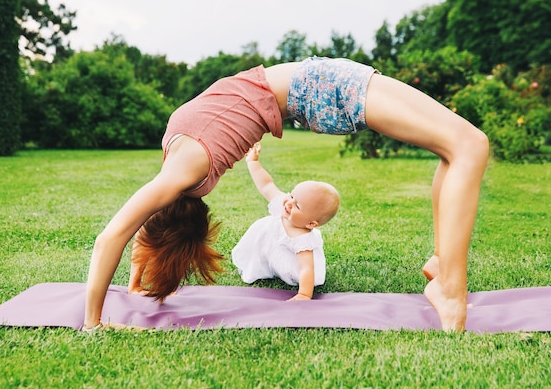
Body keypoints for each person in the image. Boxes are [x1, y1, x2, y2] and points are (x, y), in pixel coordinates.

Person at [83, 56, 488, 333]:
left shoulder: (178, 172)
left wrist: (118, 300)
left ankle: (442, 265)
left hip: (316, 84)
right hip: (318, 85)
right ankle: (450, 288)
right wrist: (109, 308)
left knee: (455, 147)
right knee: (469, 145)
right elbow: (123, 237)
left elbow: (132, 233)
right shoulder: (179, 161)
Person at [232, 142, 339, 300]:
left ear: (311, 224)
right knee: (259, 255)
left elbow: (306, 268)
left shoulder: (303, 239)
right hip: (269, 250)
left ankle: (283, 276)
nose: (288, 203)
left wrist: (304, 294)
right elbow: (266, 185)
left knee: (297, 269)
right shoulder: (283, 204)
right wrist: (253, 162)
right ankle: (259, 267)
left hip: (291, 267)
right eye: (292, 195)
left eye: (297, 205)